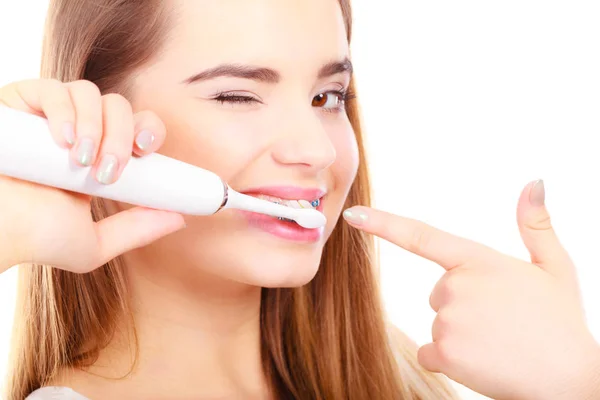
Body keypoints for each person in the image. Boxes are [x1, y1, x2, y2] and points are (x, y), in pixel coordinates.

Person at [0, 1, 598, 399]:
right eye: (236, 96)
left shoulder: (407, 373)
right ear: (102, 117)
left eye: (327, 97)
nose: (316, 150)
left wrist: (576, 385)